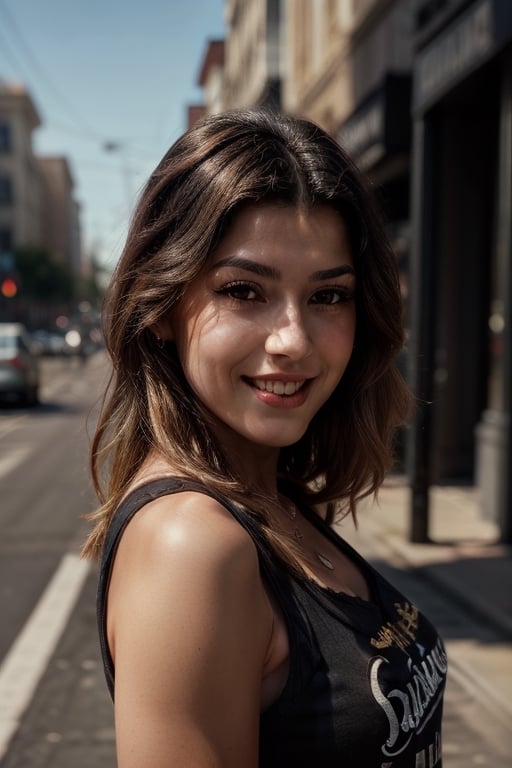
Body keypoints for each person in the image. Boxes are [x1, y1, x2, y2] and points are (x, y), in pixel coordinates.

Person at [83, 108, 446, 767]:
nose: (294, 341)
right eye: (244, 290)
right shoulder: (191, 545)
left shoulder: (266, 493)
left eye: (328, 297)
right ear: (162, 306)